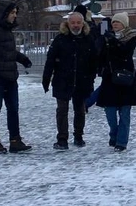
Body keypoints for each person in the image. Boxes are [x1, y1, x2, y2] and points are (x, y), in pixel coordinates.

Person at [0, 0, 33, 154]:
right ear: (4, 14)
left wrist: (22, 59)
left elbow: (8, 52)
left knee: (13, 109)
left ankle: (15, 140)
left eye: (16, 13)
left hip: (10, 77)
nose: (15, 16)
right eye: (12, 13)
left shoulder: (7, 31)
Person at [42, 11, 98, 150]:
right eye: (73, 22)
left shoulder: (88, 39)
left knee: (79, 109)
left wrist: (91, 78)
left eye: (78, 22)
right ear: (68, 23)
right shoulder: (60, 39)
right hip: (62, 80)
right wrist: (46, 79)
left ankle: (78, 136)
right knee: (62, 110)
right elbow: (50, 60)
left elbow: (94, 61)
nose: (75, 25)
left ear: (83, 24)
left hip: (81, 80)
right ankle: (62, 139)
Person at [96, 12, 136, 151]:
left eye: (118, 22)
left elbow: (124, 52)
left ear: (124, 24)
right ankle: (113, 133)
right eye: (113, 22)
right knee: (109, 112)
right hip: (110, 78)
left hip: (126, 78)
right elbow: (100, 53)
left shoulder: (132, 37)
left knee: (125, 112)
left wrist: (112, 40)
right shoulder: (106, 37)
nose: (115, 24)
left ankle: (121, 142)